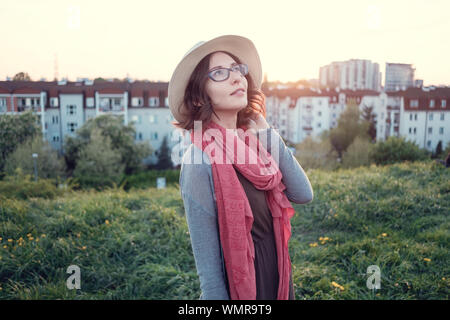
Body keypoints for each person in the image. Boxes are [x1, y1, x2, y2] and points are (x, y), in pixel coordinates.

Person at [168, 35, 314, 300]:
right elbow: (209, 277)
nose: (237, 78)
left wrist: (269, 134)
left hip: (279, 274)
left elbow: (303, 194)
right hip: (244, 287)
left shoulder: (256, 142)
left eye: (237, 69)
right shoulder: (198, 160)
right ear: (199, 97)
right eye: (220, 73)